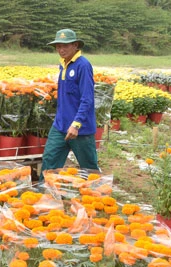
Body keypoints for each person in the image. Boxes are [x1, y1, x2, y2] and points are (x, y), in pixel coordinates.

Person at [40, 28, 99, 180]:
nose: (61, 49)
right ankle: (44, 196)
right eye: (58, 46)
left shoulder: (83, 65)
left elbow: (87, 98)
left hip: (80, 129)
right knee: (49, 160)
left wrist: (77, 123)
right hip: (60, 125)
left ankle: (98, 199)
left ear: (76, 45)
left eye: (65, 45)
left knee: (89, 167)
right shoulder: (63, 65)